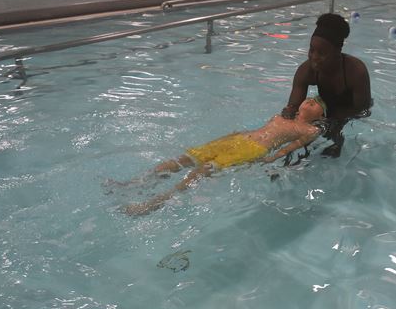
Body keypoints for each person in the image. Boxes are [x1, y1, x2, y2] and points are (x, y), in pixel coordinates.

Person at [121, 97, 327, 216]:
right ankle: (134, 183)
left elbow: (290, 148)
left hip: (254, 150)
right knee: (184, 159)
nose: (311, 100)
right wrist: (232, 135)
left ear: (321, 115)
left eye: (317, 103)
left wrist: (271, 160)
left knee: (201, 171)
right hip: (237, 139)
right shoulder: (282, 116)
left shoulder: (309, 130)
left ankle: (155, 202)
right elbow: (258, 128)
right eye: (310, 98)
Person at [281, 13, 372, 157]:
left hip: (349, 109)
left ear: (338, 51)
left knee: (333, 141)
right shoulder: (306, 71)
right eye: (312, 50)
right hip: (324, 109)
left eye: (322, 53)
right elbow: (293, 105)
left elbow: (363, 109)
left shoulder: (355, 71)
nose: (314, 57)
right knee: (300, 138)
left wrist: (334, 121)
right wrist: (288, 114)